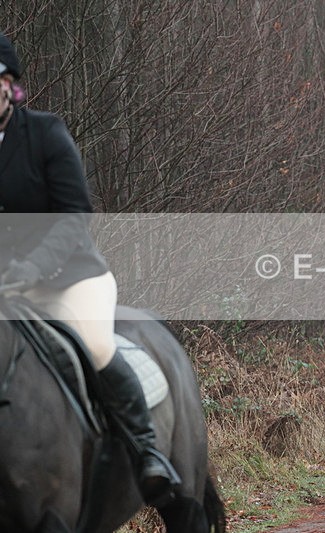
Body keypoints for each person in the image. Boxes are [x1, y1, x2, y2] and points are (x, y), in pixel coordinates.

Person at [0, 32, 175, 505]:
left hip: (69, 279)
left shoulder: (45, 133)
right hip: (4, 291)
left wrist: (33, 267)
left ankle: (148, 453)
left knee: (96, 345)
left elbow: (74, 213)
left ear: (8, 86)